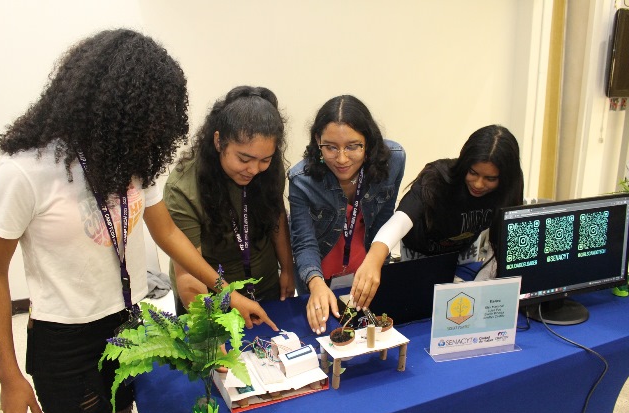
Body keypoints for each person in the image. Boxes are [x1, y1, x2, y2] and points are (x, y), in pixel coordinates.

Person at [0, 29, 276, 413]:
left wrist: (224, 292)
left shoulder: (133, 158)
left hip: (127, 320)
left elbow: (168, 233)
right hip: (66, 338)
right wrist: (8, 376)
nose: (155, 130)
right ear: (108, 106)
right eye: (147, 116)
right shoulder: (26, 170)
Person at [352, 124, 524, 310]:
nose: (478, 184)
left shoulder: (510, 186)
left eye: (490, 179)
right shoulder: (438, 178)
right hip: (419, 253)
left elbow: (504, 238)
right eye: (473, 173)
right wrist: (374, 259)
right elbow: (401, 220)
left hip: (462, 253)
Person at [164, 85, 294, 315]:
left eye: (265, 159)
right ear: (218, 141)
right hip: (210, 299)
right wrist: (206, 328)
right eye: (244, 158)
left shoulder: (269, 170)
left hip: (266, 288)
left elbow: (277, 216)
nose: (253, 169)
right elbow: (187, 273)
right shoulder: (182, 188)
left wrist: (287, 268)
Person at [288, 95, 406, 335]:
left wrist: (376, 263)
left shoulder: (393, 160)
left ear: (369, 143)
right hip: (319, 276)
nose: (341, 159)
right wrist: (315, 283)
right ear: (317, 142)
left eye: (353, 146)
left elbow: (385, 218)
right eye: (330, 147)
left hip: (366, 269)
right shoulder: (301, 179)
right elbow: (304, 242)